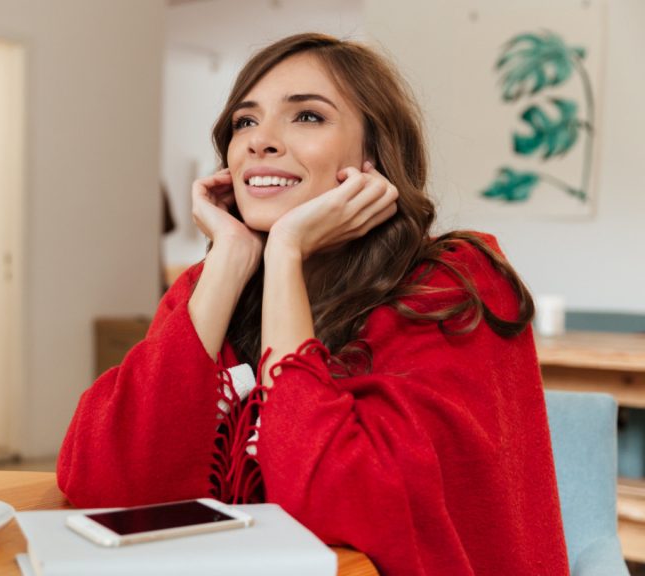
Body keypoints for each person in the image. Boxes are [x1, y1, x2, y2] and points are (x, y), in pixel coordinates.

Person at [57, 33, 568, 576]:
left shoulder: (452, 284)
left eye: (307, 116)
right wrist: (231, 256)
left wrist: (286, 252)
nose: (260, 141)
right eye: (245, 122)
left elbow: (343, 506)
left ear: (373, 155)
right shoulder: (213, 287)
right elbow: (106, 480)